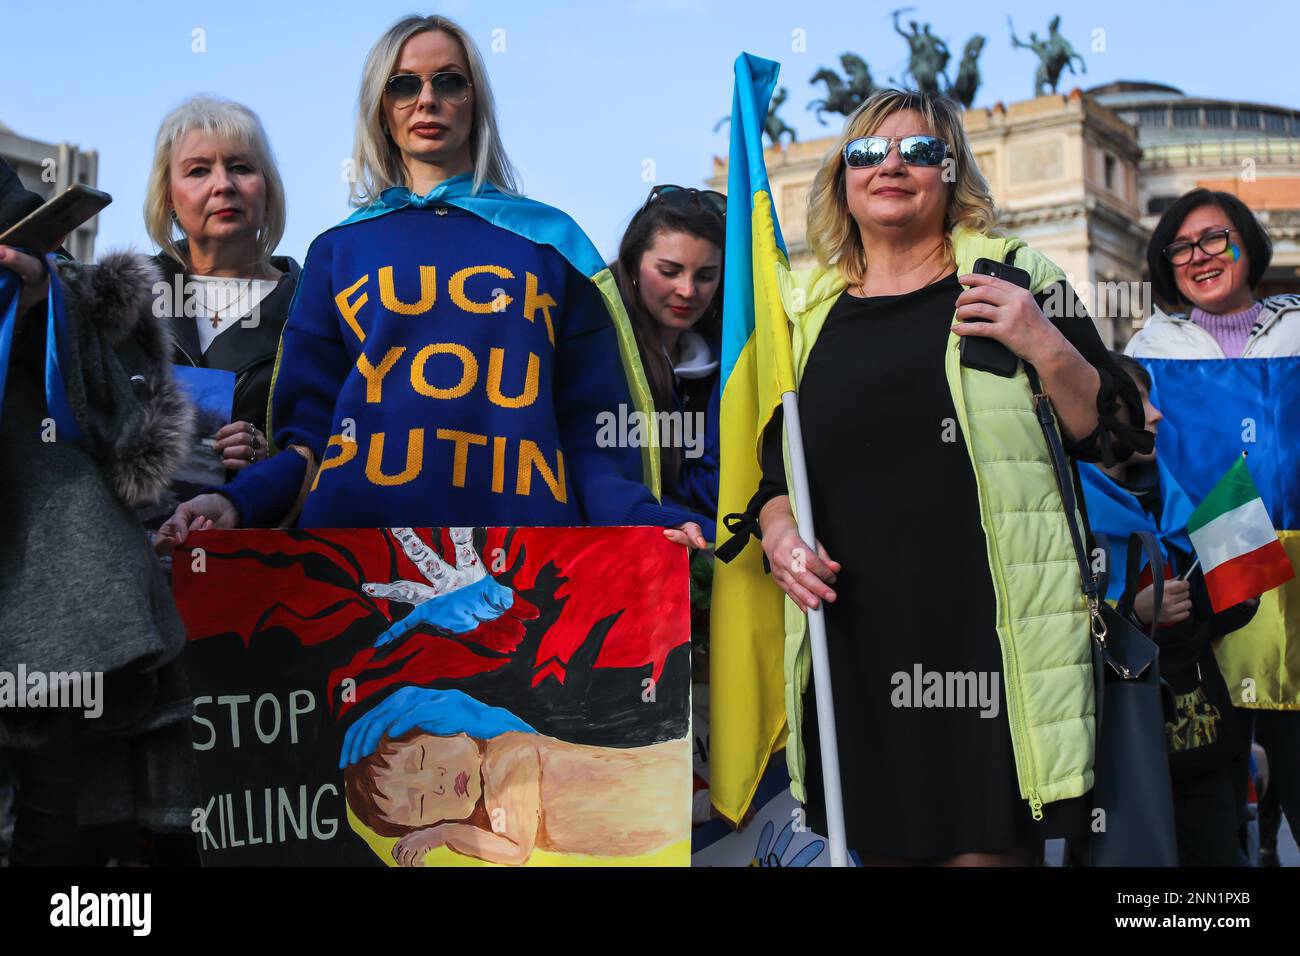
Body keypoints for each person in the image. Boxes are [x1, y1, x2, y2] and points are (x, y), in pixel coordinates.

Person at [730, 89, 1152, 864]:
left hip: (991, 639)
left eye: (919, 151)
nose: (892, 165)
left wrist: (1044, 343)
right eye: (868, 153)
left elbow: (1117, 431)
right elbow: (771, 475)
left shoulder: (1014, 273)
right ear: (842, 179)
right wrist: (780, 531)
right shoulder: (806, 312)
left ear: (950, 174)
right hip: (855, 638)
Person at [154, 14, 705, 552]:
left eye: (449, 81)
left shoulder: (554, 245)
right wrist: (238, 504)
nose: (427, 99)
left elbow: (592, 432)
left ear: (475, 100)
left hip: (527, 561)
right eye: (403, 85)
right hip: (353, 559)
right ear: (381, 108)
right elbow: (308, 446)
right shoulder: (337, 251)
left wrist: (640, 519)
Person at [0, 159, 198, 865]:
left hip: (51, 606)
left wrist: (31, 299)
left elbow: (127, 426)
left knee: (53, 825)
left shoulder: (64, 291)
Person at [1125, 187, 1300, 859]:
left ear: (1247, 245)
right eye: (1182, 247)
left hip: (1295, 600)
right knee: (1219, 814)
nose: (1200, 256)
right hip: (1202, 604)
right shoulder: (1145, 351)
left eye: (1215, 239)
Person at [1080, 352, 1257, 865]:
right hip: (1119, 758)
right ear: (1100, 411)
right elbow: (1053, 627)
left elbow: (1205, 621)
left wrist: (1235, 601)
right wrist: (1130, 614)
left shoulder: (1181, 499)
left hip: (1204, 750)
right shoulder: (1066, 511)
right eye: (1141, 401)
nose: (1157, 415)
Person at [144, 95, 301, 473]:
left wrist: (273, 464)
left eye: (241, 167)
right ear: (168, 195)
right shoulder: (123, 299)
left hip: (257, 528)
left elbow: (340, 440)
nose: (223, 185)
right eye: (198, 170)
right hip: (131, 530)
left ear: (267, 189)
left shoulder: (313, 307)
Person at [612, 185, 724, 539]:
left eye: (706, 276)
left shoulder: (729, 364)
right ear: (633, 265)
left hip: (717, 564)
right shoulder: (599, 353)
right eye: (670, 271)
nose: (688, 291)